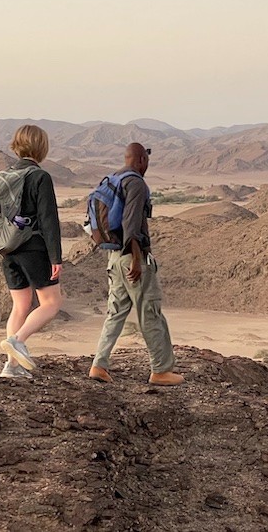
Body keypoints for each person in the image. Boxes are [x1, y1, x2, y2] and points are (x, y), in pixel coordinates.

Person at [88, 142, 184, 386]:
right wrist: (137, 260)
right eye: (147, 160)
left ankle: (99, 365)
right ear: (141, 159)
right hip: (132, 258)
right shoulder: (137, 183)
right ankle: (161, 370)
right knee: (150, 312)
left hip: (114, 258)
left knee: (115, 312)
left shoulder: (113, 179)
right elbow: (131, 224)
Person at [0, 124, 64, 378]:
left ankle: (11, 367)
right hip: (34, 248)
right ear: (41, 147)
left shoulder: (5, 175)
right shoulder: (40, 176)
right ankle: (18, 341)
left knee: (20, 305)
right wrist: (55, 256)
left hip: (8, 249)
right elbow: (49, 219)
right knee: (52, 302)